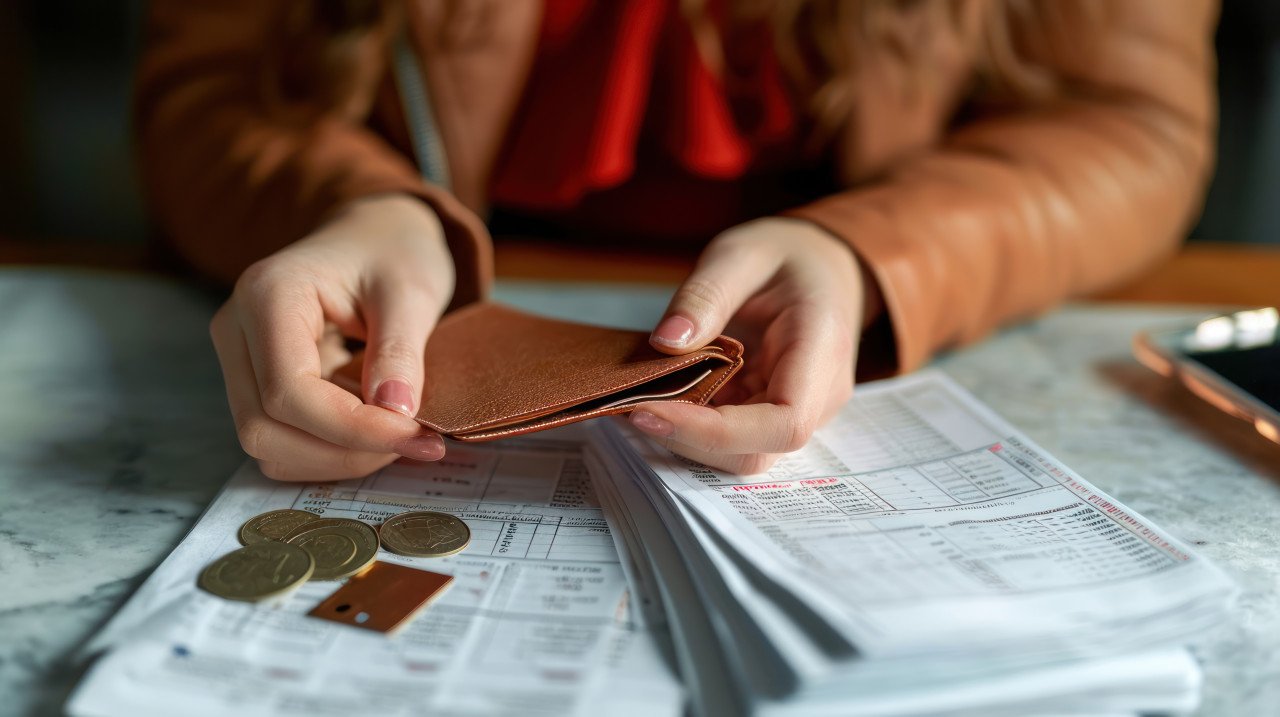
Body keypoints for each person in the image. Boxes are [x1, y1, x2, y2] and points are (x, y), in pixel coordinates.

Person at [135, 0, 1218, 479]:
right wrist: (353, 207)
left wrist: (873, 254)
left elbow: (1128, 121)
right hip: (431, 290)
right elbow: (209, 89)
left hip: (833, 267)